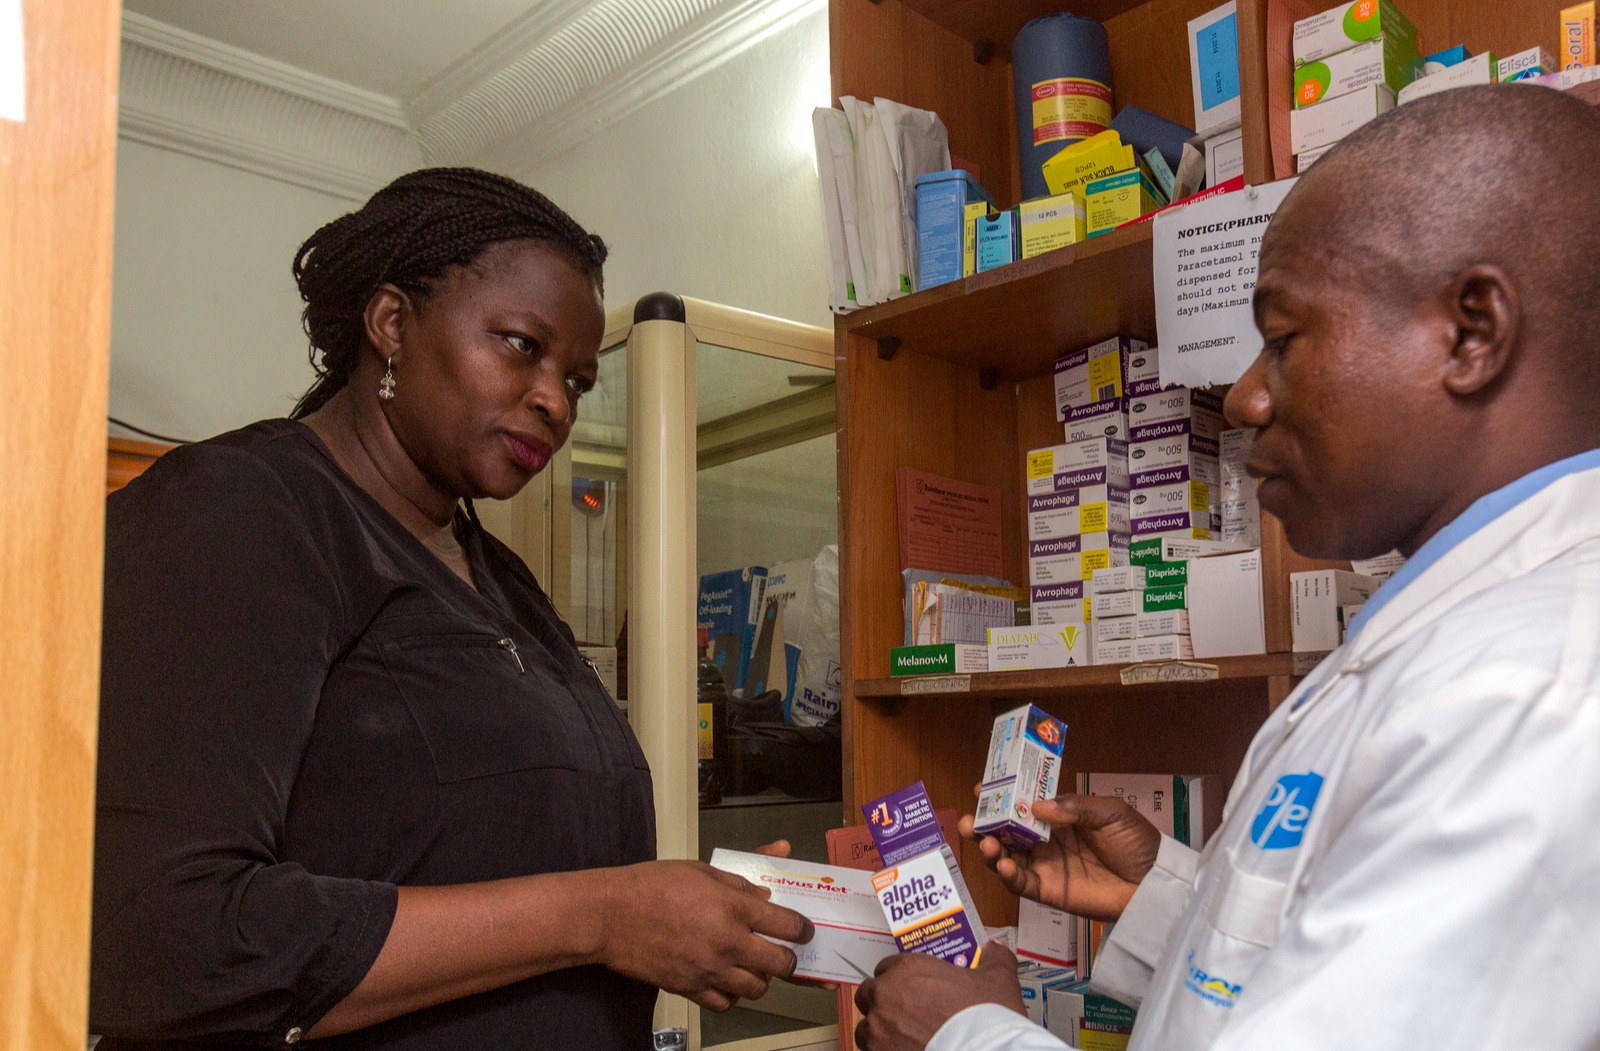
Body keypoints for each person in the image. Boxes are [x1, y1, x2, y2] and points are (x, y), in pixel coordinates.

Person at [853, 83, 1600, 1051]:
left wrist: (964, 1036)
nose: (1244, 397)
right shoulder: (1474, 634)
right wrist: (1175, 901)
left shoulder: (1530, 688)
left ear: (1470, 331)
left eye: (1282, 340)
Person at [91, 168, 812, 1049]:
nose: (555, 401)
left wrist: (697, 908)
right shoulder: (242, 510)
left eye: (579, 381)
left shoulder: (496, 572)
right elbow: (156, 931)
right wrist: (606, 913)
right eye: (520, 345)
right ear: (392, 323)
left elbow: (498, 856)